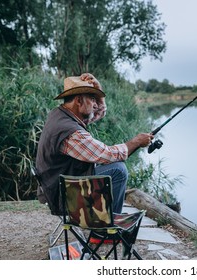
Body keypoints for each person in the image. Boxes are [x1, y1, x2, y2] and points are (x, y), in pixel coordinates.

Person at [35, 73, 153, 215]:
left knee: (109, 165)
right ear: (79, 100)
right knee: (118, 170)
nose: (96, 104)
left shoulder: (60, 115)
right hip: (62, 197)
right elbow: (108, 155)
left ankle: (106, 218)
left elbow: (96, 113)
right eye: (92, 99)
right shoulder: (70, 132)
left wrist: (99, 93)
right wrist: (137, 142)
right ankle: (107, 229)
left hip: (57, 187)